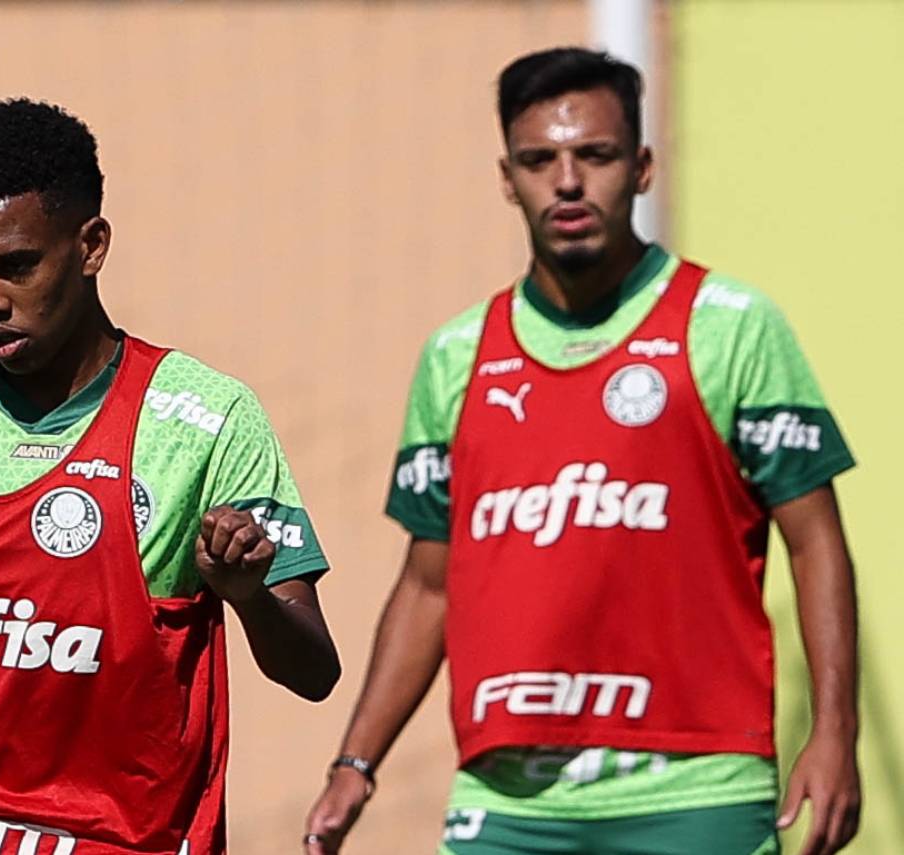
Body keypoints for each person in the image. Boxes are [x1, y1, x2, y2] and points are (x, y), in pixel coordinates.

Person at [304, 47, 860, 855]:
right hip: (508, 801)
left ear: (640, 168)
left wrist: (835, 729)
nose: (566, 182)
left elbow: (816, 541)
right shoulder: (458, 355)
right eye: (539, 160)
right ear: (508, 177)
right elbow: (430, 583)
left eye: (593, 155)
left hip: (696, 785)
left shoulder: (732, 324)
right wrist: (357, 761)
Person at [0, 98, 340, 855]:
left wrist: (247, 593)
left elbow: (313, 670)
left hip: (106, 831)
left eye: (16, 266)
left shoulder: (204, 419)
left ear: (91, 245)